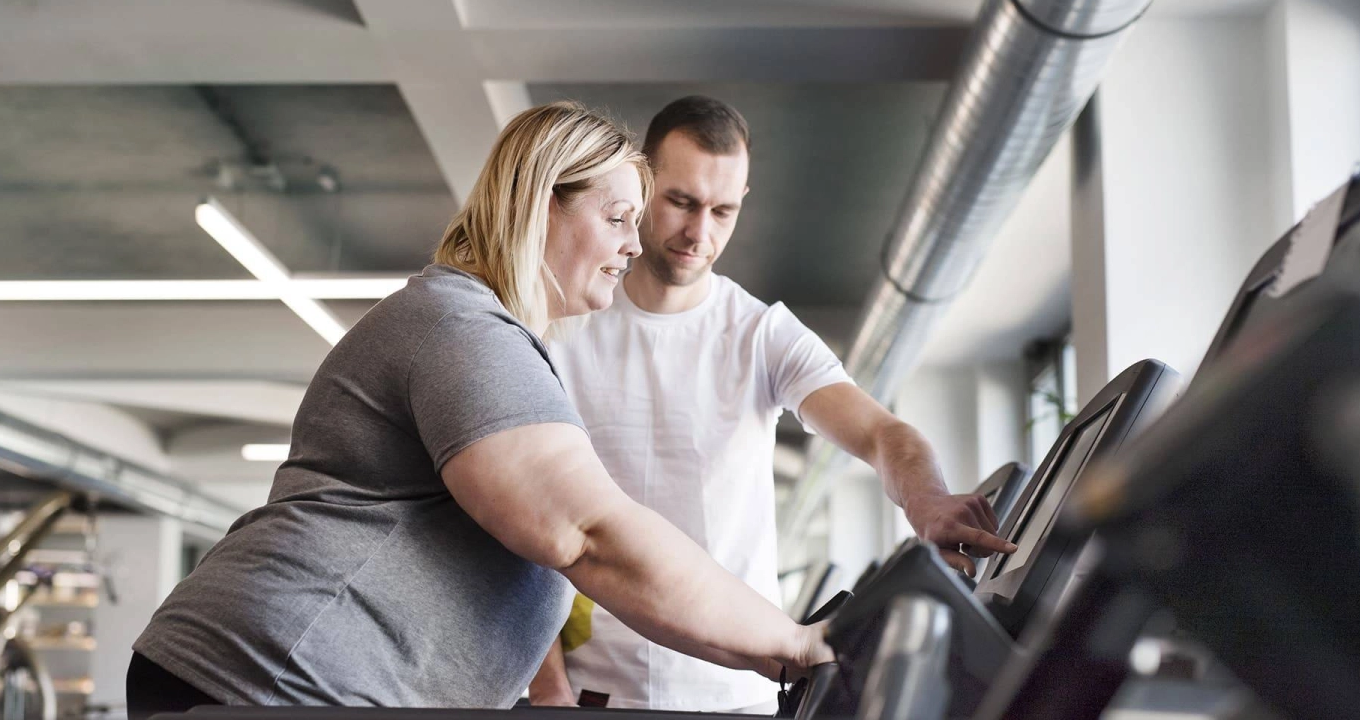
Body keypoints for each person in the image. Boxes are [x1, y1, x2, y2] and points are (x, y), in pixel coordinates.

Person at [127, 102, 832, 718]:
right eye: (617, 217)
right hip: (273, 680)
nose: (633, 242)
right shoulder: (464, 331)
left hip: (306, 682)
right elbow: (588, 535)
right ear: (540, 206)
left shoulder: (492, 338)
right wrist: (791, 643)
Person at [528, 96, 1015, 713]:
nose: (699, 232)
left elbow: (881, 434)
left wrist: (926, 497)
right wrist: (548, 687)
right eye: (681, 201)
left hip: (739, 691)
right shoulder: (564, 326)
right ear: (641, 181)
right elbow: (523, 526)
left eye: (723, 210)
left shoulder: (761, 334)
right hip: (596, 691)